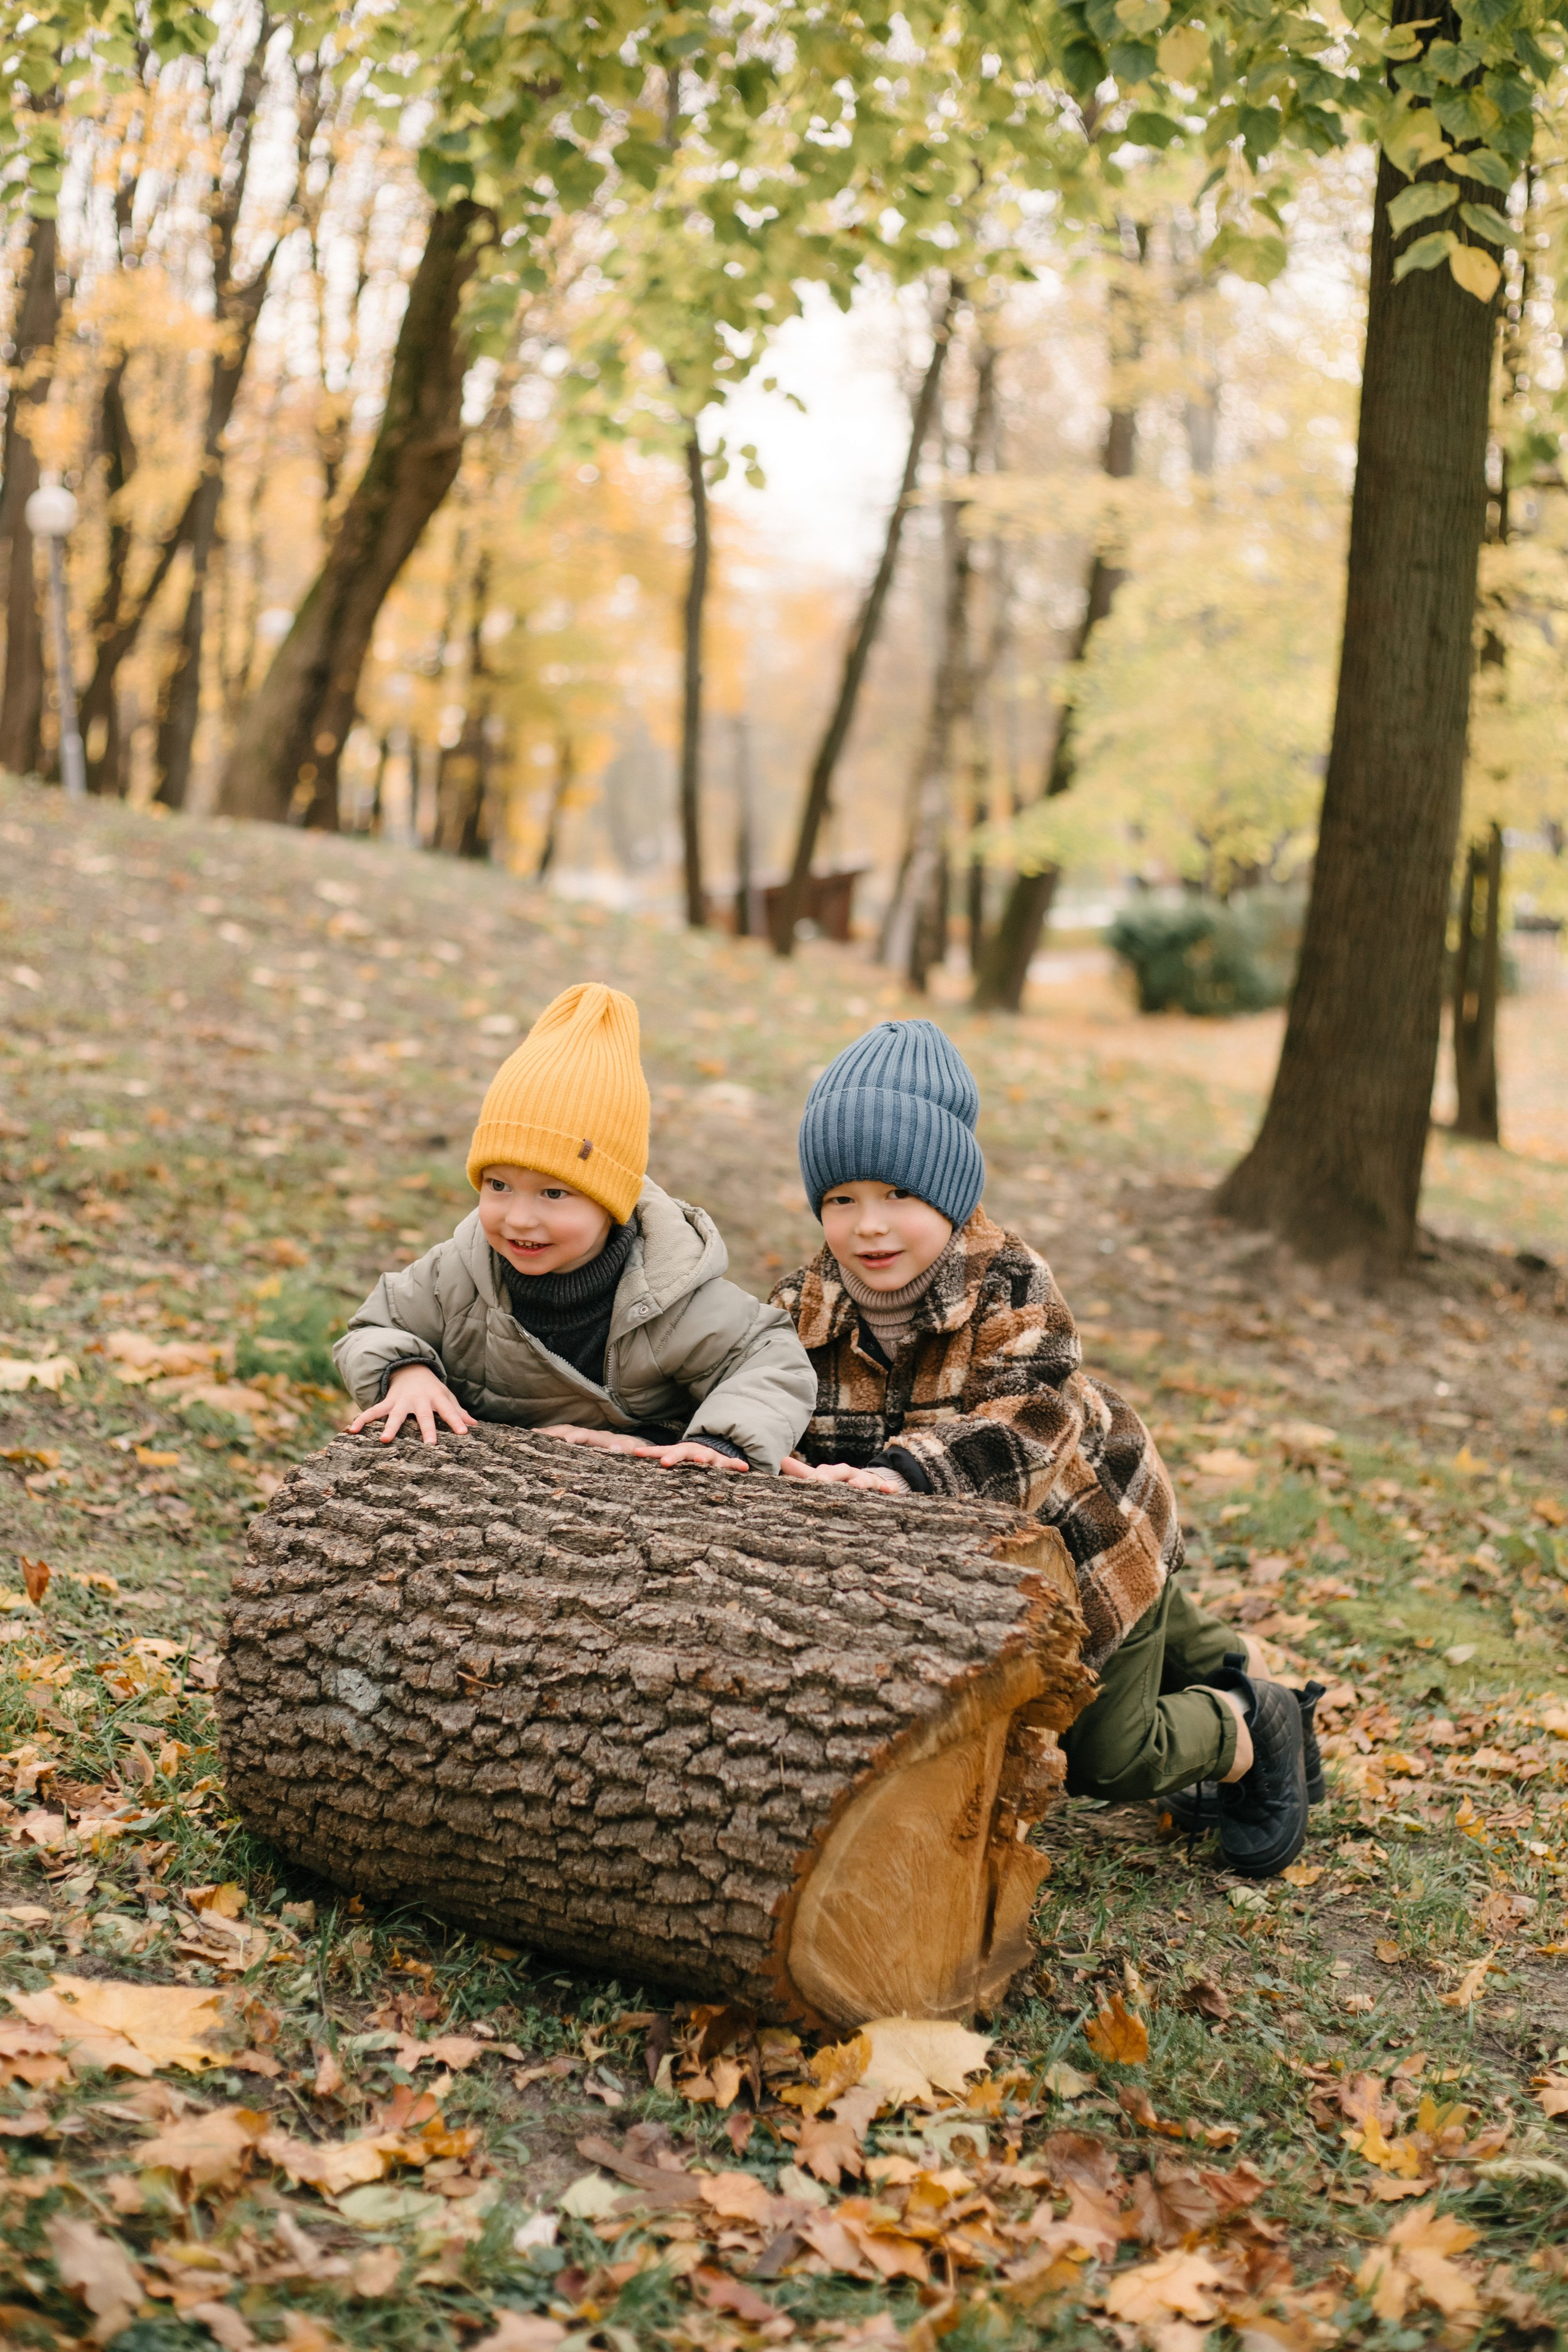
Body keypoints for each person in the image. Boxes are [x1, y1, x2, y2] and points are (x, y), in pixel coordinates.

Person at [771, 1017, 1319, 1878]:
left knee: (1111, 1755)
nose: (868, 1227)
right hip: (994, 1558)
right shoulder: (803, 1304)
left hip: (1093, 1534)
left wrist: (900, 1476)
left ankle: (1253, 1727)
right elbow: (755, 1388)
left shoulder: (1012, 1283)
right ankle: (1231, 1658)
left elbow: (1028, 1424)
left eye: (897, 1196)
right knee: (1171, 1633)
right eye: (842, 1200)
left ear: (948, 1194)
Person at [336, 982, 816, 1475]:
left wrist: (722, 1441)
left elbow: (770, 1360)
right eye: (498, 1185)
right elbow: (374, 1327)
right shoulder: (455, 1274)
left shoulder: (671, 1295)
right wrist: (407, 1372)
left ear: (613, 1203)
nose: (519, 1217)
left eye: (553, 1193)